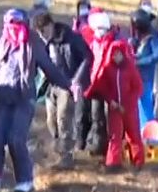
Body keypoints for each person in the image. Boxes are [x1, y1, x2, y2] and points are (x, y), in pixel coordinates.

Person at [0, 9, 71, 192]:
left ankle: (25, 180)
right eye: (10, 24)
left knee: (15, 139)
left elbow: (48, 67)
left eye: (17, 24)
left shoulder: (32, 42)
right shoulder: (2, 42)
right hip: (3, 95)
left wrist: (67, 85)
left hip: (23, 97)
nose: (13, 28)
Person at [35, 10, 92, 169]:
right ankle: (58, 148)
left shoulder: (72, 39)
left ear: (51, 25)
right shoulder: (42, 43)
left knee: (63, 119)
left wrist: (77, 80)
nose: (42, 36)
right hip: (51, 85)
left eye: (44, 31)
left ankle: (66, 157)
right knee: (51, 121)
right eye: (39, 33)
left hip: (68, 84)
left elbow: (88, 57)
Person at [86, 40, 145, 172]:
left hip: (129, 108)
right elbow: (103, 86)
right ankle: (113, 163)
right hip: (114, 108)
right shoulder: (108, 69)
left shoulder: (130, 68)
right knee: (114, 135)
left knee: (133, 134)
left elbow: (138, 88)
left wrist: (127, 104)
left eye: (119, 54)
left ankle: (138, 161)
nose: (116, 57)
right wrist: (110, 100)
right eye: (114, 54)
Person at [80, 9, 116, 156]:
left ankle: (101, 146)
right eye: (98, 29)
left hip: (106, 84)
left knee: (100, 116)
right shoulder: (89, 42)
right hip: (91, 83)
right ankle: (91, 143)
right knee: (88, 114)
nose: (100, 32)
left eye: (103, 29)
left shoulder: (112, 44)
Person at [131, 10, 158, 128]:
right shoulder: (137, 35)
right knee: (138, 104)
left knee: (146, 104)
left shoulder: (153, 36)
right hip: (135, 75)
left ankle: (149, 131)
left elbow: (157, 55)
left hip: (146, 75)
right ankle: (141, 129)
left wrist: (140, 62)